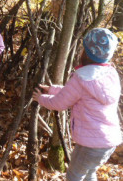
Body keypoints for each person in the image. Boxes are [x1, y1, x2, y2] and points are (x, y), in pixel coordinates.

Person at [33, 28, 122, 181]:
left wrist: (41, 98)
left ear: (86, 52)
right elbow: (75, 94)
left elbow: (60, 103)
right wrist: (52, 89)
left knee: (74, 176)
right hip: (107, 143)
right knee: (88, 173)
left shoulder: (81, 78)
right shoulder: (110, 74)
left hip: (91, 144)